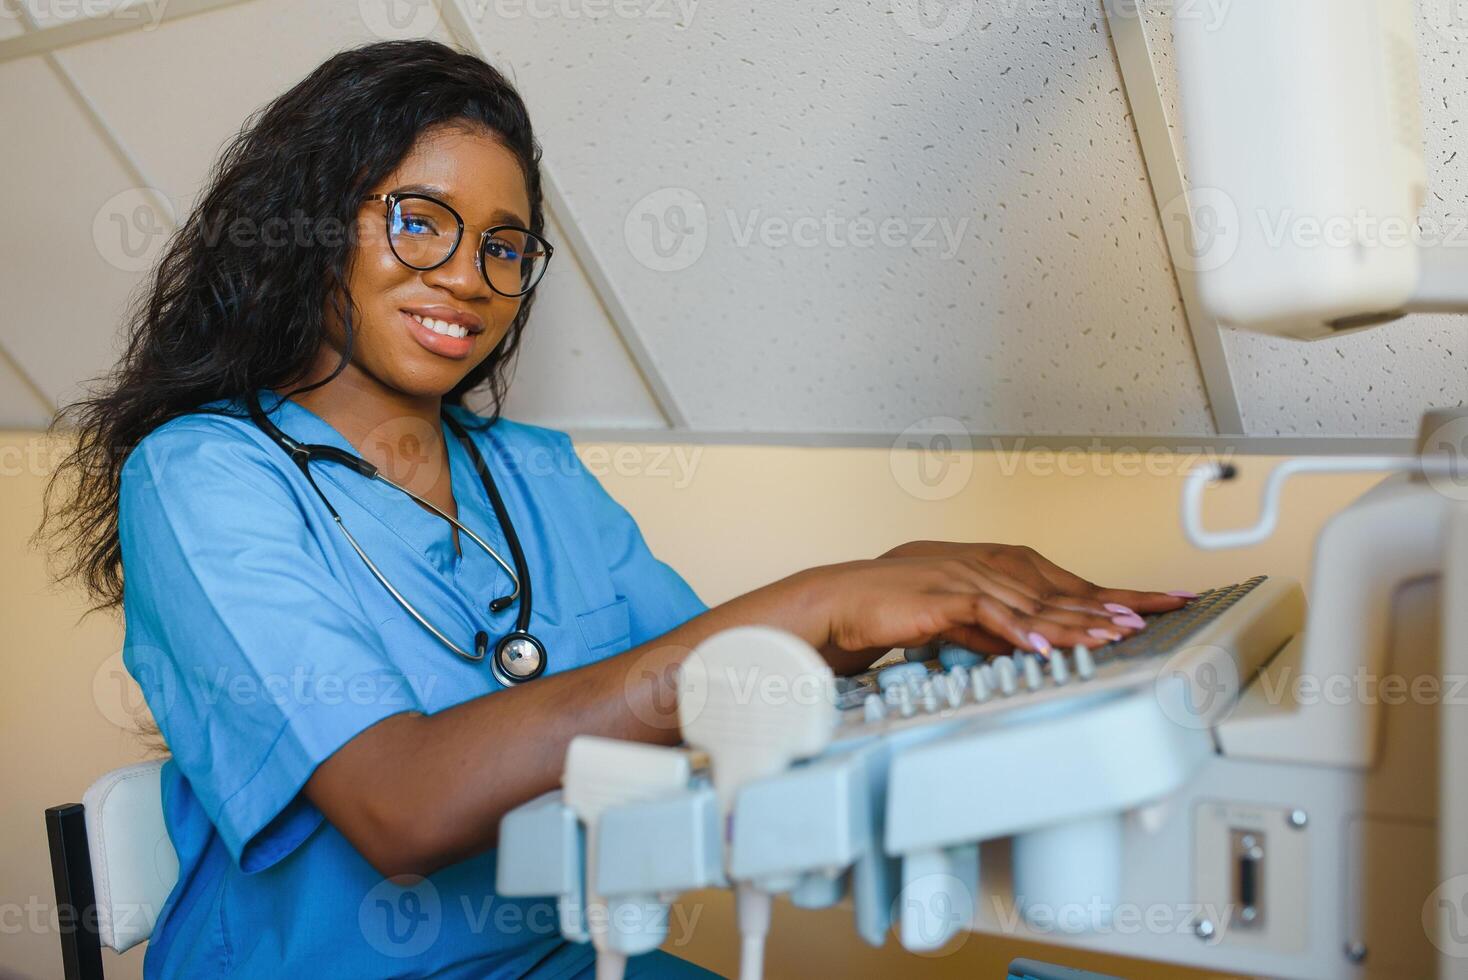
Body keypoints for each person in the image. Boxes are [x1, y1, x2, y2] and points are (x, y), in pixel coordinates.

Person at [38, 39, 1189, 979]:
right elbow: (401, 805)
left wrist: (913, 605)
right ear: (308, 225)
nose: (468, 277)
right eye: (418, 219)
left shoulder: (532, 472)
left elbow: (705, 685)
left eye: (503, 245)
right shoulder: (201, 476)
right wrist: (824, 599)